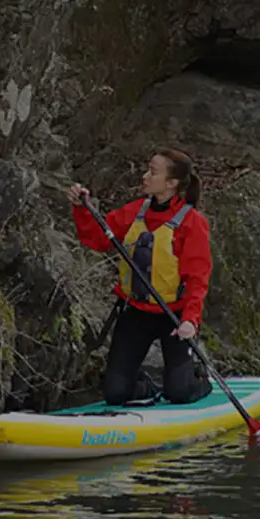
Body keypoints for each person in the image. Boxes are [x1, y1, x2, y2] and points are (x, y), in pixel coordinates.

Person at [67, 149, 215, 406]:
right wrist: (81, 208)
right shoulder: (135, 212)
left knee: (179, 393)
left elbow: (197, 278)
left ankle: (199, 379)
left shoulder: (192, 223)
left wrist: (190, 320)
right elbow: (98, 239)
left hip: (175, 316)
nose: (145, 176)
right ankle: (145, 387)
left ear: (172, 183)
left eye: (153, 172)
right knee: (116, 393)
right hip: (135, 311)